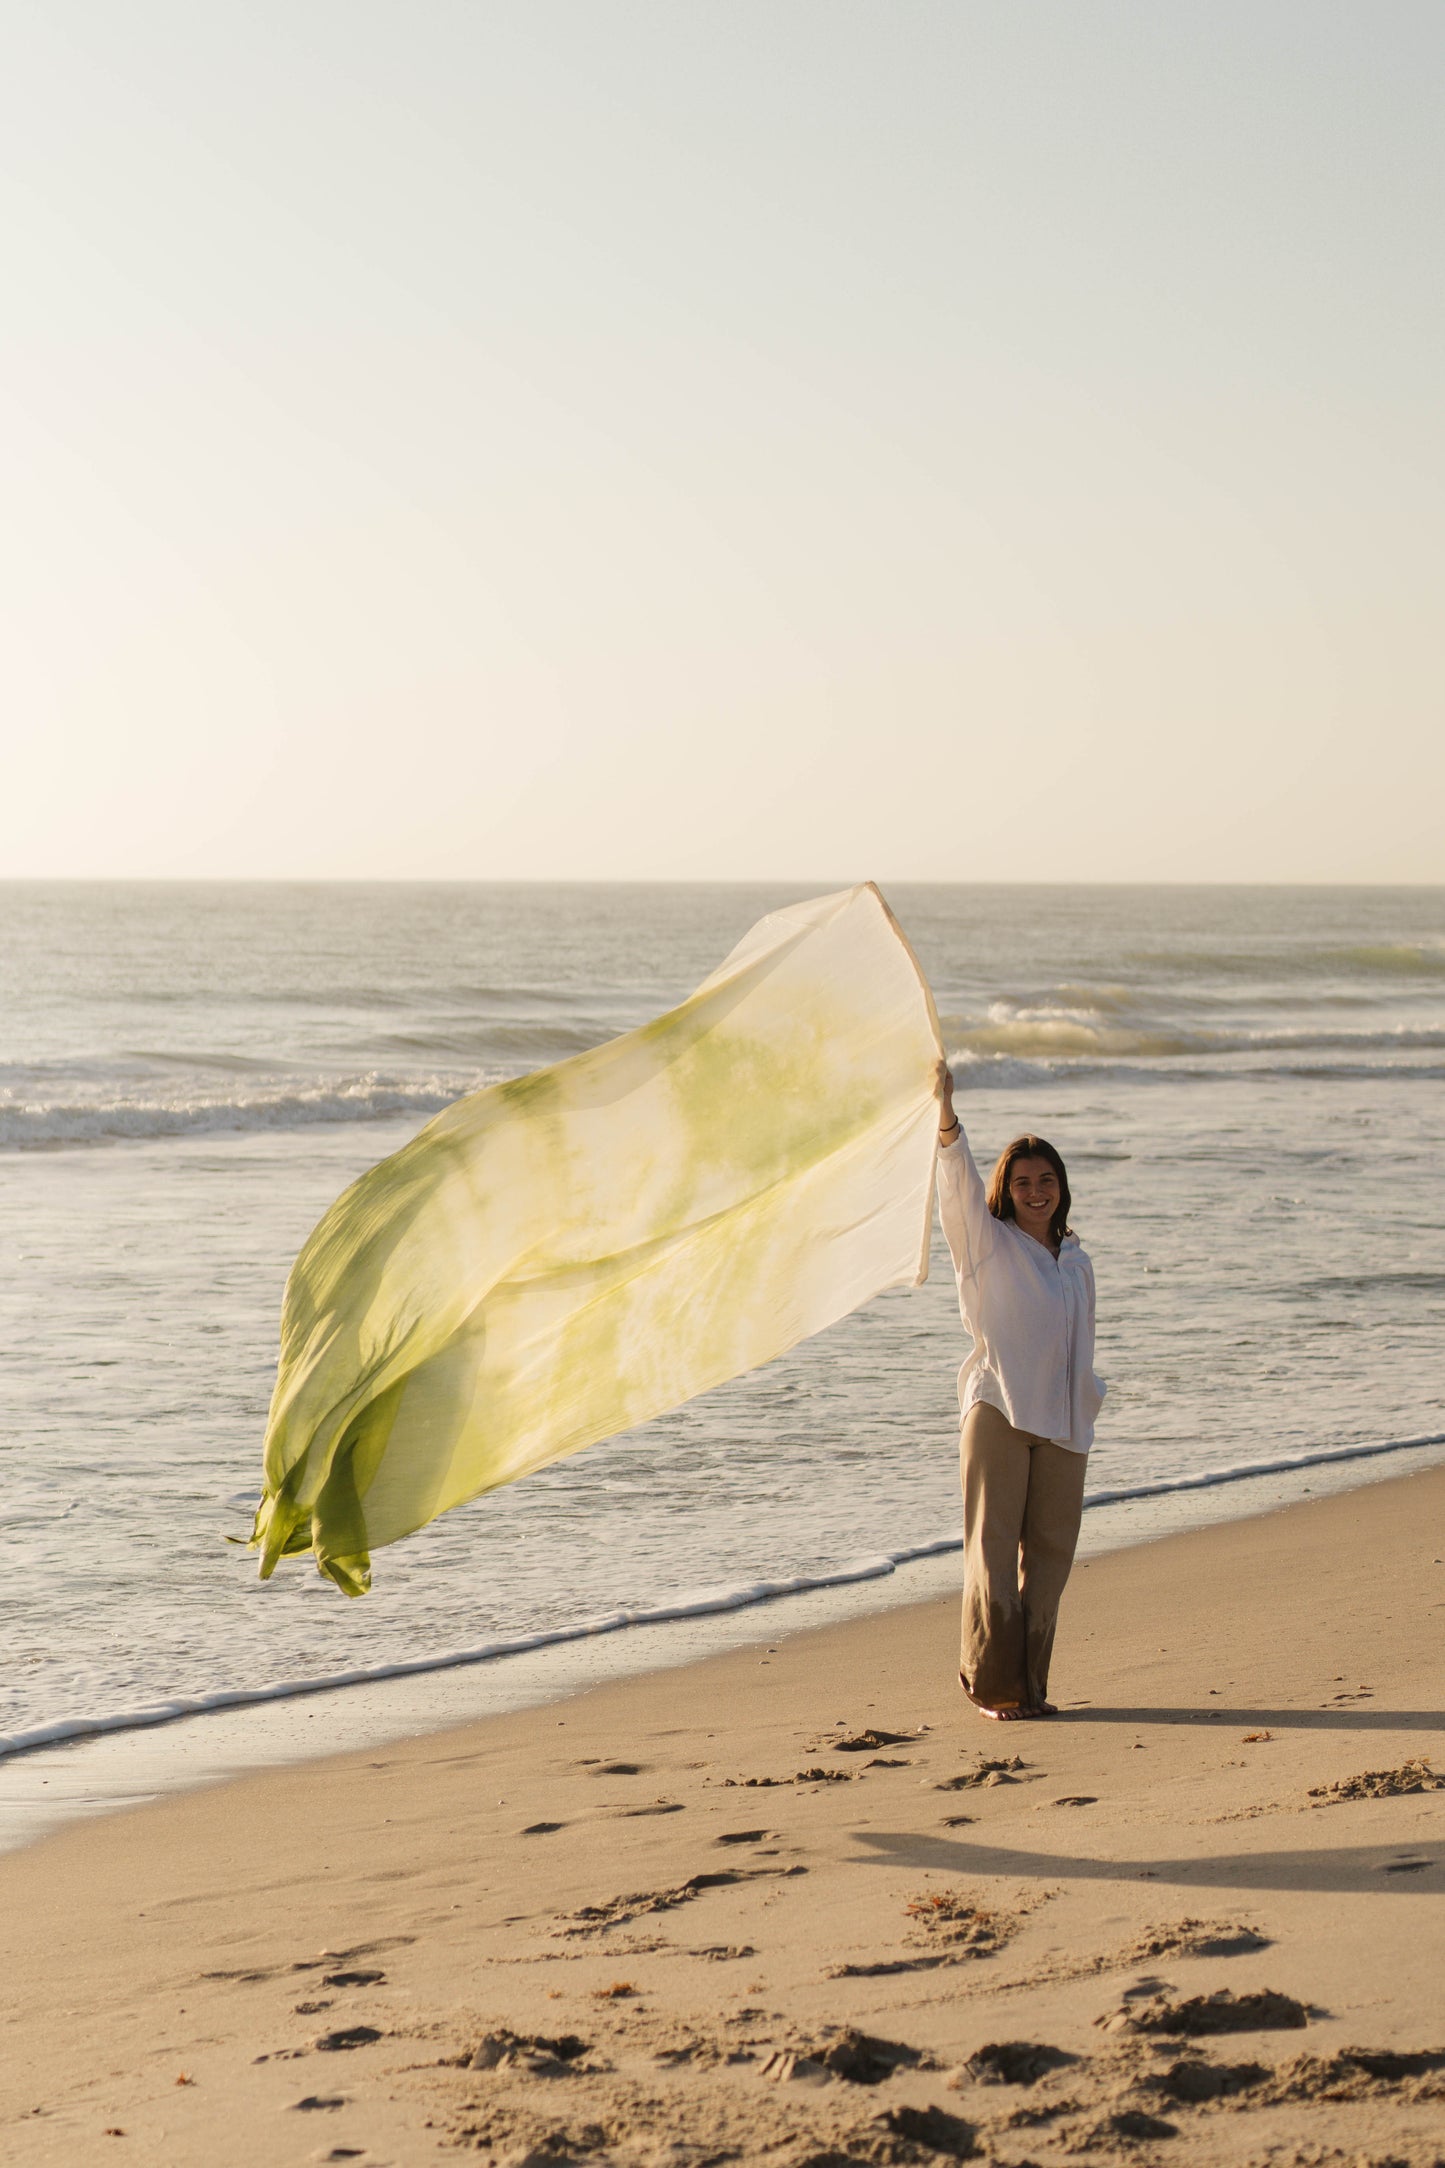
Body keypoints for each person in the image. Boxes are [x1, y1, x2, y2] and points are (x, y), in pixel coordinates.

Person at [935, 1063, 1104, 1721]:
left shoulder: (1077, 1262)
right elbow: (955, 1186)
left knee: (1053, 1558)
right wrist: (947, 1119)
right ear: (1005, 1190)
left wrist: (1086, 1398)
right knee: (994, 1550)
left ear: (1061, 1189)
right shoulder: (987, 1244)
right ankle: (994, 1687)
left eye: (1046, 1181)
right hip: (998, 1408)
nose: (1035, 1192)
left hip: (1064, 1422)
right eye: (1022, 1182)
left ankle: (1031, 1686)